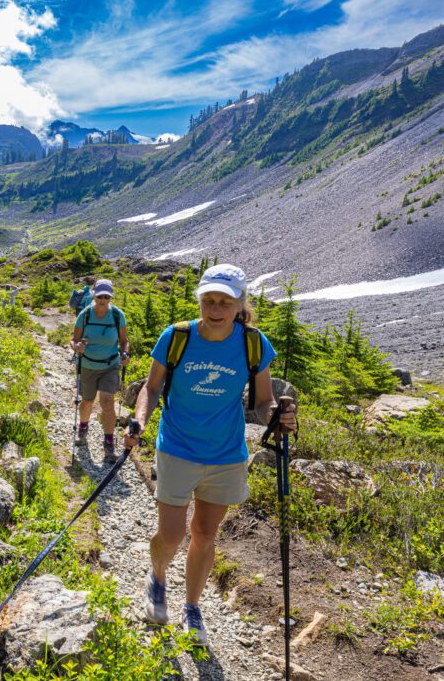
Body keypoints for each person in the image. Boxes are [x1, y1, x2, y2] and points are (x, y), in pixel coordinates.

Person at [123, 264, 297, 647]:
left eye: (224, 301)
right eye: (208, 300)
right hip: (178, 447)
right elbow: (151, 389)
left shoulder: (253, 344)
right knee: (170, 535)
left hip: (226, 454)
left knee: (204, 533)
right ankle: (157, 576)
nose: (215, 308)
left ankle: (192, 607)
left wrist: (278, 418)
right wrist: (139, 421)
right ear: (200, 300)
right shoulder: (177, 337)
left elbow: (263, 401)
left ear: (239, 305)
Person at [70, 279, 131, 462]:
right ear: (94, 295)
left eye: (106, 296)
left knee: (107, 402)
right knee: (87, 401)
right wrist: (76, 347)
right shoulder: (85, 314)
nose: (102, 300)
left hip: (110, 365)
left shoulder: (117, 315)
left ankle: (109, 442)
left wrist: (125, 353)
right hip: (88, 365)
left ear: (110, 297)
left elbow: (124, 340)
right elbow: (74, 340)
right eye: (99, 296)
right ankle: (83, 427)